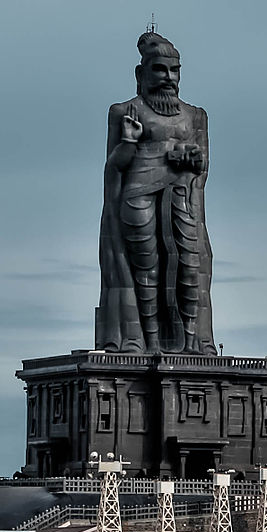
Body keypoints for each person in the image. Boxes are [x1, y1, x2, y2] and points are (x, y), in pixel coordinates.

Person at [96, 32, 216, 354]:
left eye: (174, 71)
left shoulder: (196, 116)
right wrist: (130, 142)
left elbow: (203, 168)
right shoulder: (125, 111)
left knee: (191, 266)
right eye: (160, 69)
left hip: (182, 198)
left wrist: (191, 160)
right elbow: (114, 166)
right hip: (138, 196)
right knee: (144, 271)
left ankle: (191, 343)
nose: (168, 78)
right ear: (141, 73)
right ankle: (147, 343)